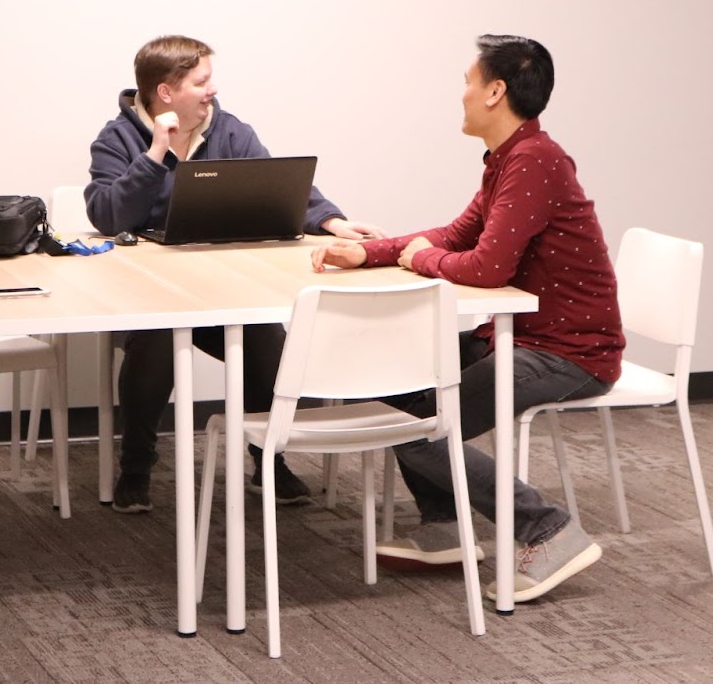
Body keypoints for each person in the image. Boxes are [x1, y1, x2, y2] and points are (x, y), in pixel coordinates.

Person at [310, 35, 620, 603]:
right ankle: (445, 527)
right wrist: (368, 252)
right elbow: (457, 236)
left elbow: (484, 265)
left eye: (468, 82)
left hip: (569, 351)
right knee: (400, 395)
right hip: (519, 339)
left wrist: (417, 259)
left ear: (496, 91)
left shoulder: (535, 160)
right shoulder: (510, 159)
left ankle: (548, 529)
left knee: (420, 426)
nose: (463, 95)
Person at [86, 34, 384, 514]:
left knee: (268, 338)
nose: (212, 90)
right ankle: (136, 466)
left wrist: (329, 220)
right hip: (152, 293)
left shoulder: (229, 130)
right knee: (157, 342)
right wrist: (156, 153)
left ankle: (269, 460)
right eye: (201, 82)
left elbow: (276, 186)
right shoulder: (117, 138)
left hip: (221, 287)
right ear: (166, 92)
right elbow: (105, 214)